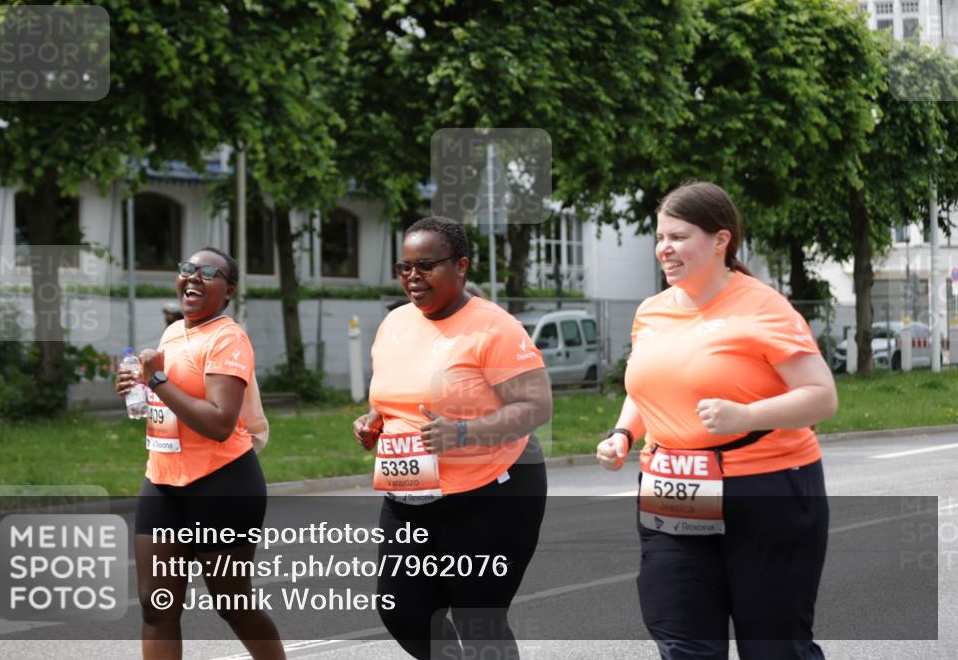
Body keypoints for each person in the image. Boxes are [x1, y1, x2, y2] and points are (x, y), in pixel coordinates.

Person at [596, 181, 838, 660]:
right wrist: (624, 433)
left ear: (721, 241)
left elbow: (821, 397)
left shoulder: (763, 307)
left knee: (774, 649)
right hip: (673, 488)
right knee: (684, 644)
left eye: (679, 237)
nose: (665, 248)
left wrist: (746, 414)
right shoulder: (652, 312)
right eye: (660, 237)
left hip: (767, 489)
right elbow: (648, 390)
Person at [353, 216, 552, 660]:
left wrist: (463, 432)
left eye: (426, 266)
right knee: (401, 609)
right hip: (409, 495)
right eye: (404, 267)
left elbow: (536, 407)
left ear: (460, 265)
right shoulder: (396, 324)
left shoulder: (493, 328)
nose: (412, 277)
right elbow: (396, 397)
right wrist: (374, 421)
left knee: (477, 619)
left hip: (492, 493)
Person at [116, 246, 285, 660]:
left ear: (228, 292)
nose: (192, 276)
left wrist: (155, 380)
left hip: (222, 482)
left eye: (208, 273)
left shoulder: (229, 337)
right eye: (187, 269)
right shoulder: (174, 332)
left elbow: (218, 422)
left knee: (232, 603)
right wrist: (137, 388)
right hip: (162, 479)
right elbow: (170, 402)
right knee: (156, 607)